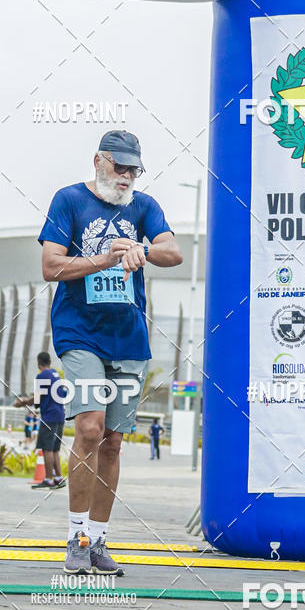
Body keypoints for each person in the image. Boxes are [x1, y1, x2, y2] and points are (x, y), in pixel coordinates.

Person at [39, 130, 182, 575]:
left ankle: (98, 540)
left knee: (114, 441)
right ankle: (76, 537)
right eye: (118, 167)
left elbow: (174, 252)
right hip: (79, 332)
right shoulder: (68, 200)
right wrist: (104, 258)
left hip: (128, 336)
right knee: (89, 427)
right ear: (98, 161)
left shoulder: (145, 207)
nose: (125, 177)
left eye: (133, 169)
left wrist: (142, 249)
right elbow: (50, 266)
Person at [15, 351, 67, 489]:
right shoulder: (56, 375)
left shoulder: (42, 376)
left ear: (39, 363)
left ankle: (48, 479)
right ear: (49, 361)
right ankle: (59, 478)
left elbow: (38, 398)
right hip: (60, 415)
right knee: (55, 449)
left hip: (49, 417)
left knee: (47, 449)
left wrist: (23, 402)